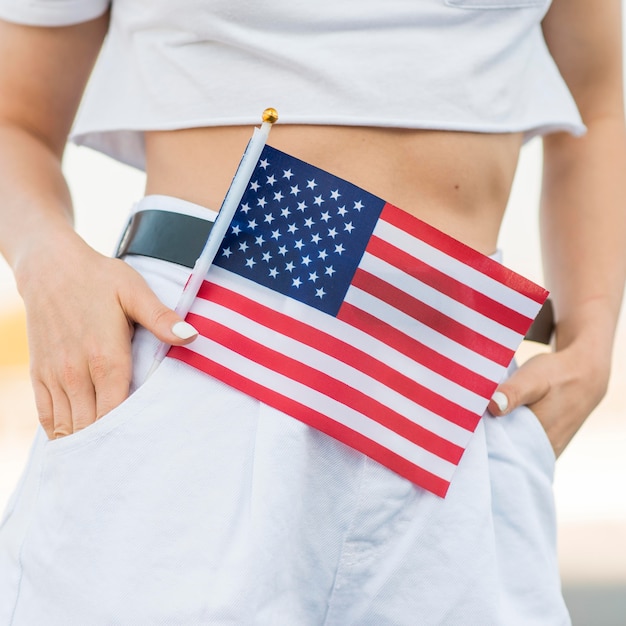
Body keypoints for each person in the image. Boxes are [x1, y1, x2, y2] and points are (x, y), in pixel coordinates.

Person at [0, 1, 624, 624]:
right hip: (204, 352)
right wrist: (45, 259)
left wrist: (593, 340)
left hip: (453, 400)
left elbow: (599, 100)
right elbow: (14, 119)